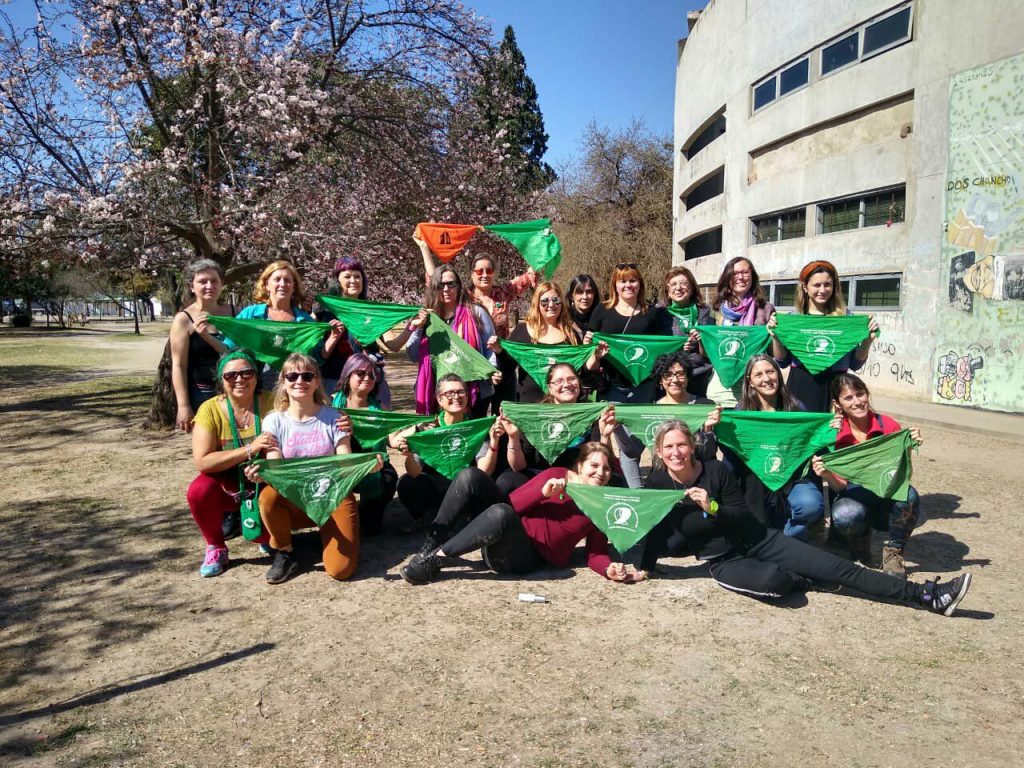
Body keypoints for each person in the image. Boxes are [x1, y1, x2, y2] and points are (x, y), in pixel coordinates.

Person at [643, 421, 972, 615]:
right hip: (724, 561)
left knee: (841, 568)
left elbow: (741, 516)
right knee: (778, 583)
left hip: (759, 539)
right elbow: (651, 530)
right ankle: (806, 577)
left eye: (682, 445)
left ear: (691, 445)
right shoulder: (657, 484)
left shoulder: (713, 471)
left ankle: (926, 596)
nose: (676, 453)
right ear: (659, 452)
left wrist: (711, 506)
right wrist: (639, 564)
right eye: (669, 447)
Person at [399, 442, 647, 585]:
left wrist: (608, 570)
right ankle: (428, 547)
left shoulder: (601, 506)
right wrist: (543, 493)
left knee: (500, 514)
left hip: (522, 557)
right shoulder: (556, 475)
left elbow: (595, 553)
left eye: (605, 469)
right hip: (504, 528)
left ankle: (438, 559)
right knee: (470, 476)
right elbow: (512, 504)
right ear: (579, 466)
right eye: (593, 465)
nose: (600, 473)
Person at [245, 354, 375, 584]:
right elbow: (276, 469)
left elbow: (344, 464)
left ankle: (333, 534)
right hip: (294, 498)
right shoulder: (273, 421)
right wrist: (262, 474)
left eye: (307, 375)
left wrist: (365, 466)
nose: (299, 381)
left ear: (317, 381)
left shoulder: (335, 418)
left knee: (341, 571)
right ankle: (284, 552)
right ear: (283, 383)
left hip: (331, 496)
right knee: (268, 496)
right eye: (292, 376)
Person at [812, 373, 923, 577]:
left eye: (860, 394)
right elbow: (841, 488)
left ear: (867, 395)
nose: (857, 402)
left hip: (885, 491)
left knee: (910, 496)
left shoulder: (888, 426)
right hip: (855, 495)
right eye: (848, 398)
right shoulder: (833, 433)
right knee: (846, 515)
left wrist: (908, 444)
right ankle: (859, 537)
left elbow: (901, 473)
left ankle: (894, 553)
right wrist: (826, 474)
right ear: (838, 404)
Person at [416, 233, 536, 413]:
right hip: (473, 363)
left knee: (504, 414)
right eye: (479, 271)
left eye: (489, 270)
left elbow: (529, 276)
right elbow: (436, 281)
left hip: (503, 360)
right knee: (475, 411)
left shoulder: (503, 292)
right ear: (472, 274)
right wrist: (424, 249)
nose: (485, 275)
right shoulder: (465, 298)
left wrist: (538, 243)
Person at [187, 349, 275, 577]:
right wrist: (250, 448)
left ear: (256, 375)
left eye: (246, 372)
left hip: (265, 480)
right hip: (227, 483)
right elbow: (203, 461)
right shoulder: (210, 409)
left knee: (265, 537)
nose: (240, 379)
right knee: (198, 490)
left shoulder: (272, 403)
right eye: (230, 375)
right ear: (220, 380)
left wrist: (341, 420)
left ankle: (271, 536)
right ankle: (216, 546)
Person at [585, 262, 671, 487]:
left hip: (644, 387)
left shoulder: (651, 313)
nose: (628, 285)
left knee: (642, 440)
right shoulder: (602, 311)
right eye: (623, 281)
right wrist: (590, 346)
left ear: (639, 284)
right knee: (627, 445)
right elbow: (590, 348)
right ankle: (635, 490)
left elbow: (662, 348)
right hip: (613, 387)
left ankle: (637, 491)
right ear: (615, 284)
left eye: (632, 280)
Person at [723, 354, 825, 540]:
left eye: (770, 372)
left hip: (792, 478)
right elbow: (731, 454)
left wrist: (829, 428)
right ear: (750, 382)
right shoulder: (741, 412)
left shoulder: (796, 408)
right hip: (755, 480)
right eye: (759, 374)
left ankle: (789, 541)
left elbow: (813, 440)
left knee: (810, 505)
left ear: (778, 375)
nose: (767, 378)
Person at [494, 363, 623, 496]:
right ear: (550, 387)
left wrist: (605, 435)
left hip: (578, 479)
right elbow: (519, 467)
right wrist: (513, 437)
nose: (567, 384)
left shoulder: (592, 412)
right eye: (559, 381)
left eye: (571, 379)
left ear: (578, 382)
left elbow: (602, 460)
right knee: (507, 481)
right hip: (540, 477)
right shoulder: (536, 414)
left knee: (617, 481)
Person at [768, 260, 878, 412]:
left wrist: (867, 340)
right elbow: (782, 362)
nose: (823, 290)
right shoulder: (793, 319)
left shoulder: (846, 319)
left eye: (827, 284)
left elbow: (855, 364)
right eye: (816, 285)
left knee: (834, 433)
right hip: (802, 386)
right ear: (805, 287)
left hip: (837, 386)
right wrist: (776, 336)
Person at [395, 374, 494, 526]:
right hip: (434, 486)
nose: (456, 396)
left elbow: (484, 470)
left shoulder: (476, 428)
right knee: (406, 482)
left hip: (464, 487)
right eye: (449, 393)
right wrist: (408, 456)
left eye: (461, 392)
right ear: (439, 399)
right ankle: (431, 516)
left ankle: (448, 517)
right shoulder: (428, 428)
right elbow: (414, 472)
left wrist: (495, 442)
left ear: (467, 397)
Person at [403, 267, 500, 416]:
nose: (446, 289)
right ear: (434, 288)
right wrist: (417, 328)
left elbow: (490, 348)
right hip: (437, 393)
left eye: (451, 284)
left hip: (474, 391)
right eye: (441, 285)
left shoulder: (476, 313)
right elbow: (412, 355)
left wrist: (492, 369)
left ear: (459, 286)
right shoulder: (425, 317)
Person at [490, 281, 600, 404]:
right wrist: (499, 350)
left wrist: (594, 357)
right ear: (537, 304)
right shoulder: (522, 331)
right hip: (530, 405)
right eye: (545, 301)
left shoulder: (571, 334)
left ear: (562, 303)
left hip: (564, 406)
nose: (551, 304)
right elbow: (508, 367)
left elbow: (579, 372)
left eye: (556, 300)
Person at [233, 260, 335, 389]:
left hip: (294, 391)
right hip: (255, 391)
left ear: (294, 287)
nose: (282, 284)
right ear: (266, 285)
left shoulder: (304, 320)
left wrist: (333, 338)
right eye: (277, 279)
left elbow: (316, 358)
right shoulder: (250, 314)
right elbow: (230, 346)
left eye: (287, 280)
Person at [331, 353, 399, 537]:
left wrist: (415, 428)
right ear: (348, 375)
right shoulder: (331, 406)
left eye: (371, 374)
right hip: (343, 464)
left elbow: (392, 439)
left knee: (388, 478)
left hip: (374, 462)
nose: (367, 378)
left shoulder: (381, 408)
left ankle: (368, 515)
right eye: (360, 373)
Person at [700, 257, 776, 407]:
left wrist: (774, 333)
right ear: (727, 277)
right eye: (735, 273)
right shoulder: (715, 310)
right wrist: (700, 339)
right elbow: (707, 354)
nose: (740, 277)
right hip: (722, 387)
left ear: (752, 276)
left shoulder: (766, 309)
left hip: (754, 387)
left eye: (745, 272)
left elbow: (774, 353)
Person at [170, 259, 231, 431]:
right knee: (208, 445)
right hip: (202, 392)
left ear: (221, 284)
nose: (209, 286)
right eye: (202, 282)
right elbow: (179, 365)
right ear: (192, 286)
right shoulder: (183, 320)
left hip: (236, 389)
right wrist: (183, 406)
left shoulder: (236, 313)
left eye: (214, 281)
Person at [651, 352, 721, 461]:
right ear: (661, 380)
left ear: (688, 377)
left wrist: (707, 431)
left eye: (680, 374)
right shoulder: (652, 411)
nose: (675, 380)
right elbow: (634, 452)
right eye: (668, 375)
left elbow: (709, 453)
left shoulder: (705, 406)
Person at [661, 266, 713, 397]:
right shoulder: (659, 314)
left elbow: (710, 352)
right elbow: (657, 349)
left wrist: (701, 341)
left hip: (699, 375)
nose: (678, 288)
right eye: (673, 284)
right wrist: (677, 350)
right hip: (671, 378)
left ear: (692, 289)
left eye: (683, 283)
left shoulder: (705, 313)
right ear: (668, 291)